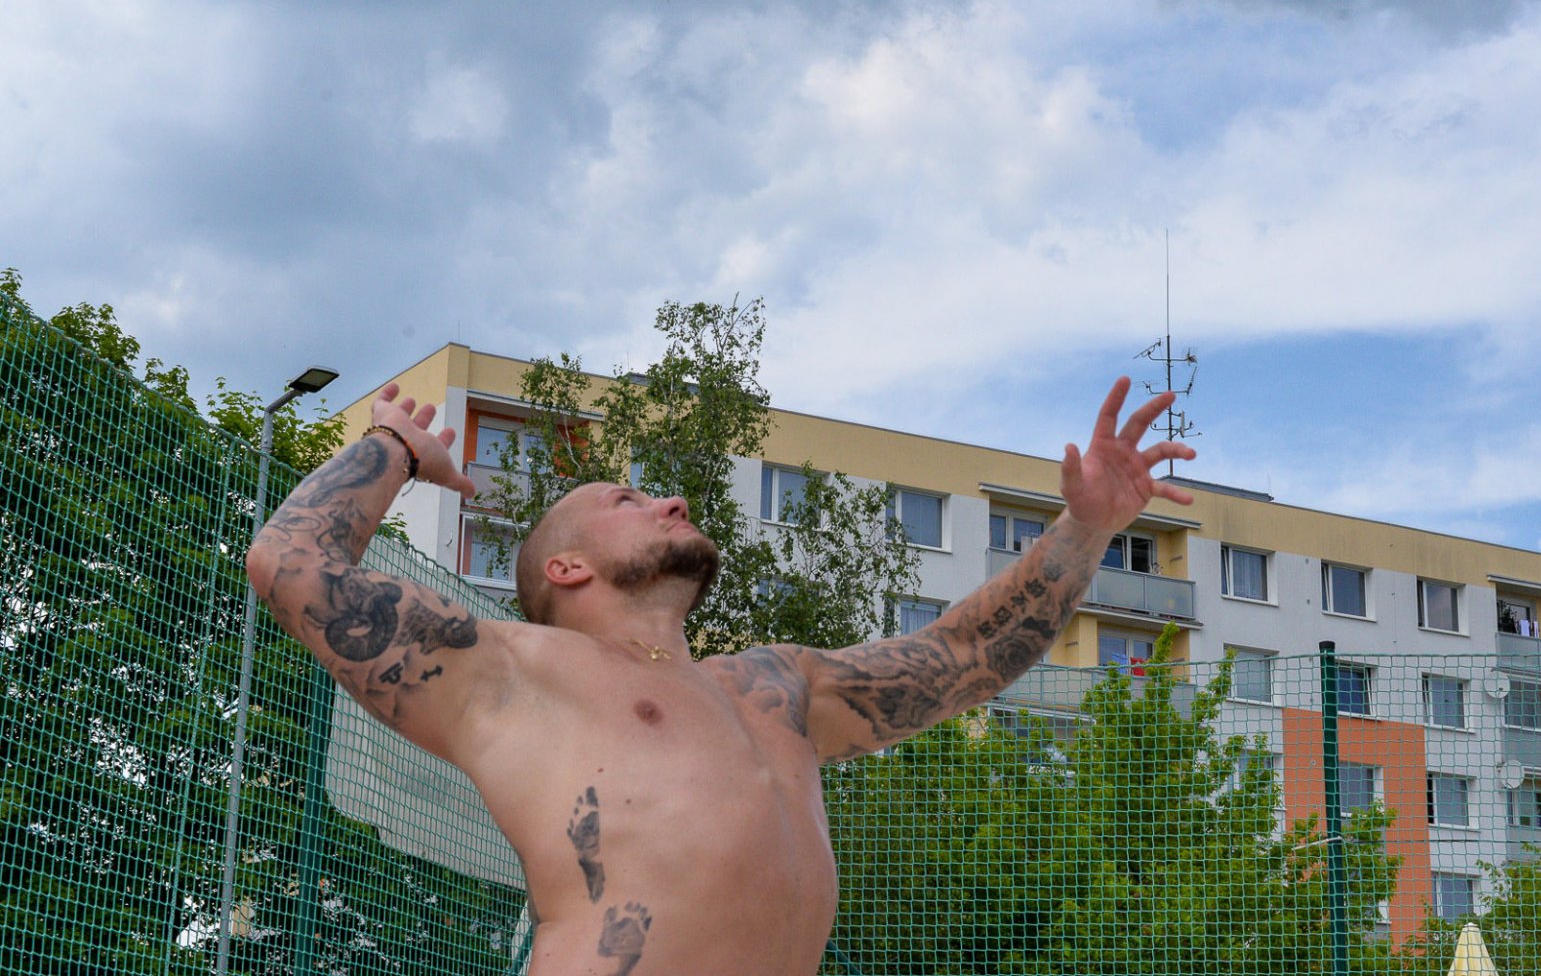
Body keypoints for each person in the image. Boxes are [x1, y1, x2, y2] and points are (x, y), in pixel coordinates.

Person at [246, 376, 1195, 976]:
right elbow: (290, 564)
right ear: (566, 567)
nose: (671, 498)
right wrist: (394, 447)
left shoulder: (774, 688)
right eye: (628, 497)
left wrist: (1088, 529)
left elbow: (965, 659)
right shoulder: (511, 668)